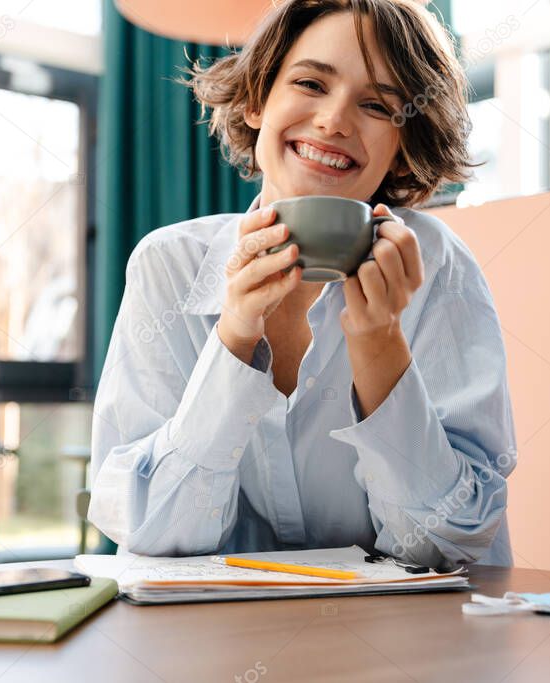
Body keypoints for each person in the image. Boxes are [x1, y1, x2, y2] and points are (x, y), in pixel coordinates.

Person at [87, 0, 517, 570]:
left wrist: (379, 339)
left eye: (376, 105)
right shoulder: (169, 265)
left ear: (402, 145)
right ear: (258, 99)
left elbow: (443, 548)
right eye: (311, 82)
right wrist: (235, 339)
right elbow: (151, 534)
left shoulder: (438, 266)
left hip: (408, 646)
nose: (334, 121)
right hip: (220, 644)